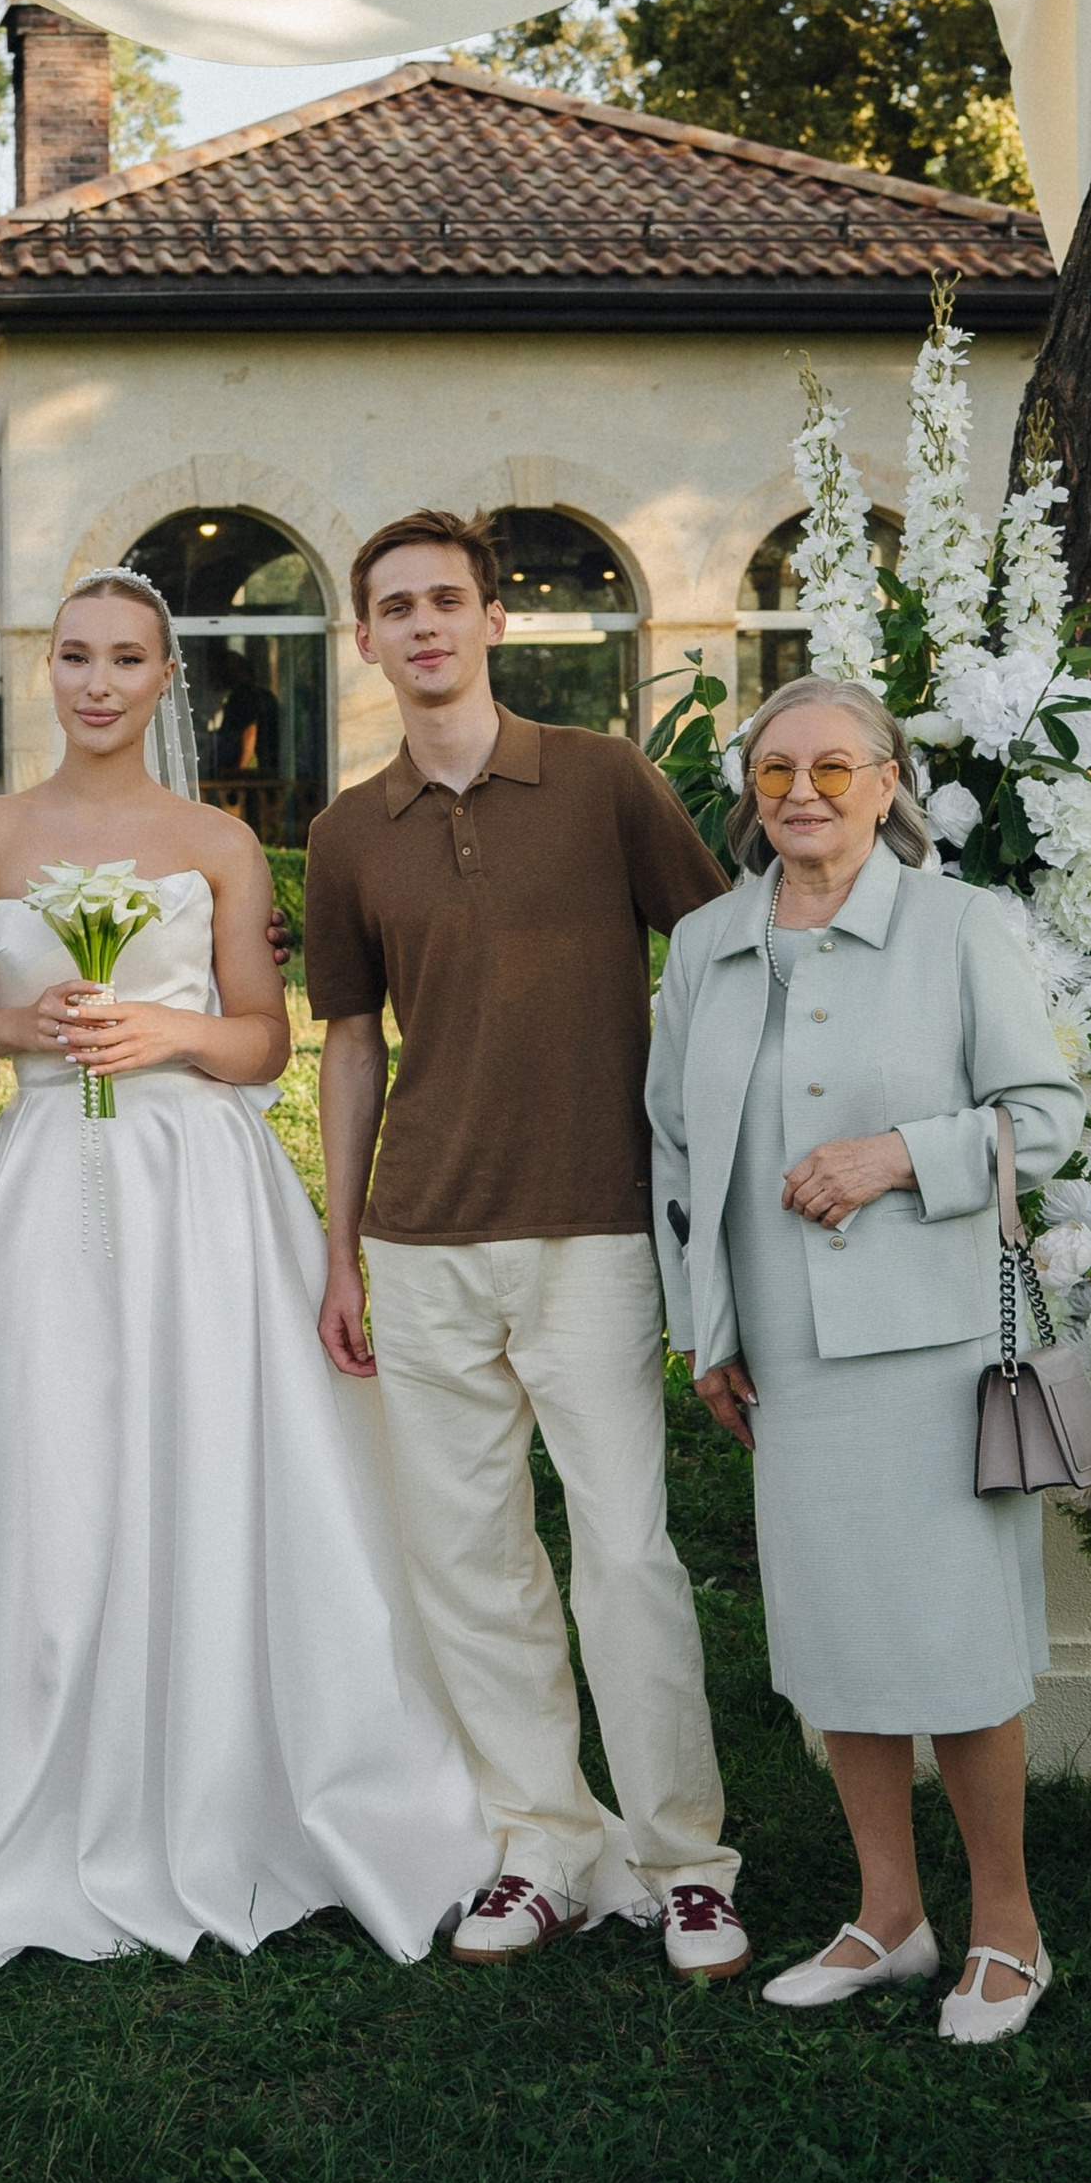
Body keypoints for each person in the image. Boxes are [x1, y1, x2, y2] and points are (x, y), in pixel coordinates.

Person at [0, 568, 489, 1963]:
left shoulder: (217, 840)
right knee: (55, 1447)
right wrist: (28, 1031)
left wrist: (168, 1033)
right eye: (76, 656)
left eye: (127, 660)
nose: (98, 684)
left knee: (216, 1445)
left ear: (163, 678)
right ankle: (32, 1748)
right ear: (48, 669)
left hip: (202, 1184)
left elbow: (265, 1040)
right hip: (49, 1179)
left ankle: (247, 1762)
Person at [303, 508, 744, 1975]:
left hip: (592, 1229)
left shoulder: (604, 779)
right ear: (364, 639)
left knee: (625, 1553)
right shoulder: (345, 834)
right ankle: (542, 1840)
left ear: (494, 620)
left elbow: (720, 958)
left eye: (447, 600)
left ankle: (684, 1859)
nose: (423, 625)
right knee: (471, 1564)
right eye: (396, 607)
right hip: (422, 1241)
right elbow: (351, 1044)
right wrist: (342, 1249)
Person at [645, 676, 1084, 2045]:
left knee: (956, 1641)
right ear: (750, 791)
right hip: (785, 1349)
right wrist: (706, 1330)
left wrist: (898, 1155)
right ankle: (889, 1916)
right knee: (833, 1636)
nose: (804, 794)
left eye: (835, 767)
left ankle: (1008, 1927)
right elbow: (675, 1152)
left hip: (934, 1345)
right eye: (776, 770)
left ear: (888, 785)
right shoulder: (707, 944)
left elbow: (1047, 1119)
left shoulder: (958, 926)